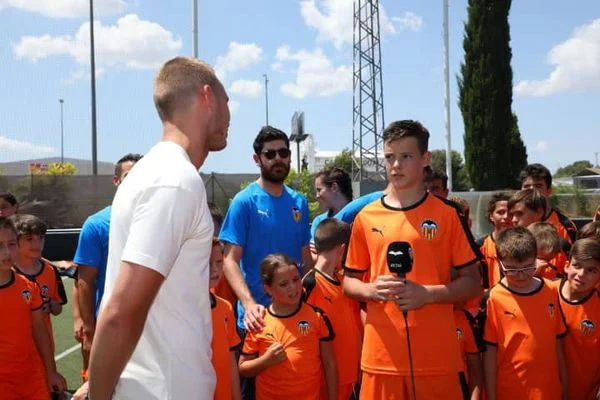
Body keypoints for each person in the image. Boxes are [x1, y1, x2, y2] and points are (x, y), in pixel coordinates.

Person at [88, 56, 230, 400]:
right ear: (207, 97)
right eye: (227, 102)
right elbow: (121, 312)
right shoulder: (175, 181)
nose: (230, 116)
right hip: (163, 390)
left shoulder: (153, 172)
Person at [343, 120, 482, 399]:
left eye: (406, 156)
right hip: (381, 358)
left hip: (436, 358)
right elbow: (349, 283)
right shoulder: (365, 217)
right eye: (389, 157)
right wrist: (370, 290)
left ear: (425, 158)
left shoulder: (447, 215)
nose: (396, 165)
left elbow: (473, 283)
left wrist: (427, 294)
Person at [220, 125, 312, 334]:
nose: (278, 158)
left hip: (296, 316)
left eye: (283, 153)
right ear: (257, 159)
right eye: (270, 154)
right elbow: (229, 260)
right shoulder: (244, 202)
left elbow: (306, 257)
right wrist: (249, 304)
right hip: (258, 321)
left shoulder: (299, 202)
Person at [72, 153, 142, 381]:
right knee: (100, 386)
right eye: (129, 176)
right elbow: (85, 281)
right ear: (116, 180)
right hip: (108, 327)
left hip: (147, 327)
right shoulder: (96, 225)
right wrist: (89, 330)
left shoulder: (155, 221)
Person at [483, 227, 568, 400]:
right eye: (512, 269)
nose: (521, 276)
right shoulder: (494, 297)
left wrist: (564, 383)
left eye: (528, 267)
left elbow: (557, 342)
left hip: (548, 390)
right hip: (509, 390)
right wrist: (491, 396)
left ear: (537, 258)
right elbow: (490, 352)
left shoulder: (551, 291)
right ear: (499, 262)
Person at [239, 253, 337, 400]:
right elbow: (243, 368)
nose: (293, 287)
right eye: (284, 284)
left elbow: (329, 363)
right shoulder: (259, 322)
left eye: (296, 279)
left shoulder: (316, 316)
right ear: (268, 289)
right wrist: (265, 361)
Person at [0, 217, 66, 399]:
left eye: (11, 244)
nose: (6, 252)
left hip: (32, 376)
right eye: (0, 246)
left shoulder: (28, 287)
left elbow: (40, 330)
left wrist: (51, 371)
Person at [303, 218, 361, 400]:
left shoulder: (346, 282)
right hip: (326, 382)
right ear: (342, 249)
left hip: (351, 377)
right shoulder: (310, 284)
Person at [11, 214, 67, 351]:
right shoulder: (7, 272)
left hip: (43, 348)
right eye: (29, 239)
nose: (37, 244)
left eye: (41, 238)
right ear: (14, 241)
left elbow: (58, 309)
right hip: (13, 348)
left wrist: (50, 305)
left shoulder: (50, 270)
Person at [553, 238, 600, 400]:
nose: (581, 274)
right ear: (566, 266)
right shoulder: (544, 292)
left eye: (591, 270)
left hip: (582, 394)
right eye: (577, 266)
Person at [210, 238, 242, 400]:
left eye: (218, 262)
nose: (214, 269)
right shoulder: (183, 311)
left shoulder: (225, 308)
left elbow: (231, 363)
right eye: (207, 263)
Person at [520, 163, 578, 243]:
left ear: (549, 190)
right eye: (526, 186)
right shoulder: (511, 221)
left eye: (538, 186)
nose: (532, 190)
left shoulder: (565, 226)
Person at [477, 192, 512, 288]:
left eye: (511, 213)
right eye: (500, 212)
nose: (506, 217)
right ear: (491, 216)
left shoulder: (525, 243)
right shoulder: (479, 246)